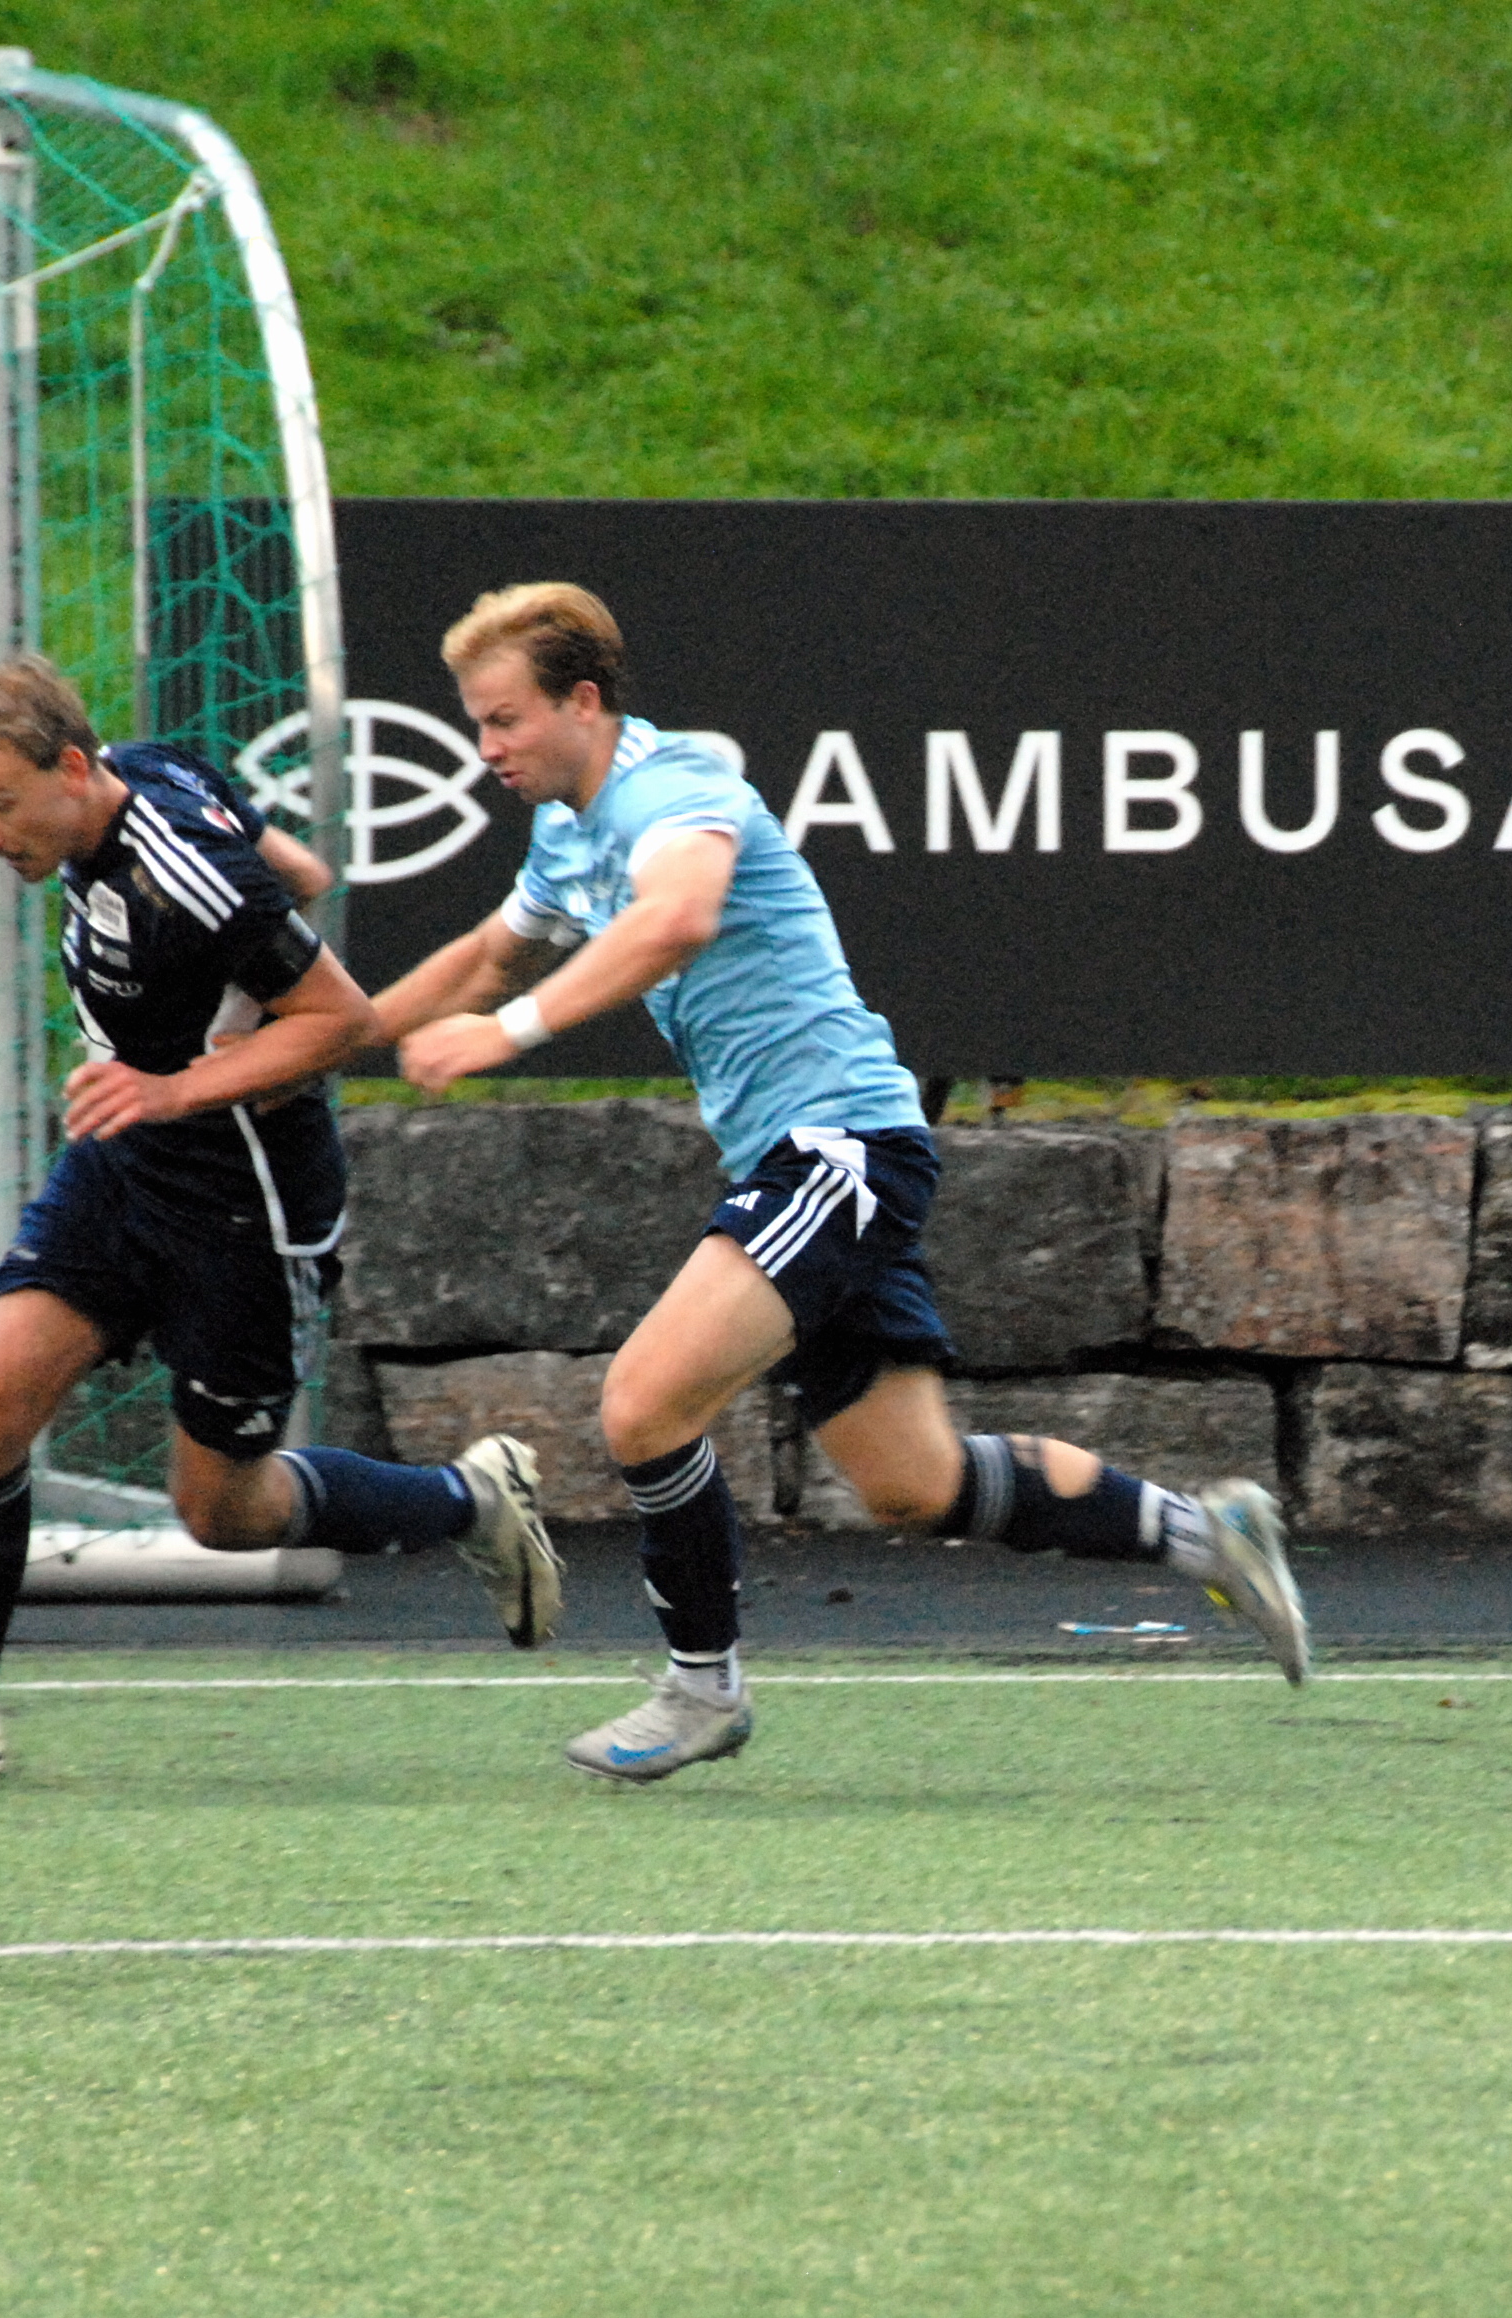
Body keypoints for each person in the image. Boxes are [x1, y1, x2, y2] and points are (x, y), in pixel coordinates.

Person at [370, 581, 1307, 1782]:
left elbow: (676, 919)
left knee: (643, 1403)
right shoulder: (568, 829)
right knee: (913, 1483)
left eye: (503, 720)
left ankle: (701, 1690)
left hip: (837, 1148)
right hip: (814, 1155)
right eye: (475, 723)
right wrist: (313, 1047)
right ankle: (1207, 1534)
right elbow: (486, 956)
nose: (484, 748)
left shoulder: (671, 789)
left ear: (583, 703)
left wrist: (503, 1037)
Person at [0, 656, 563, 1780]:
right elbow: (304, 870)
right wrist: (196, 1053)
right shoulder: (146, 769)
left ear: (71, 769)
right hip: (122, 1164)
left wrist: (182, 1082)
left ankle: (467, 1499)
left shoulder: (185, 874)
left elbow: (341, 1019)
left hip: (243, 1206)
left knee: (221, 1513)